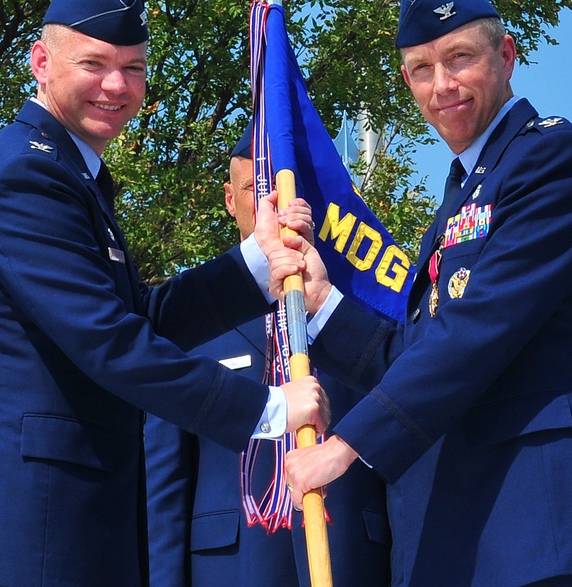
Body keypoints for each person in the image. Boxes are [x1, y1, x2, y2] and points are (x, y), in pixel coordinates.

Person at [0, 0, 329, 587]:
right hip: (30, 534)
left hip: (65, 526)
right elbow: (108, 341)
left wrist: (255, 262)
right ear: (41, 61)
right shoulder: (27, 179)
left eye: (134, 67)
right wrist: (267, 409)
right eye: (94, 64)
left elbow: (134, 318)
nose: (116, 85)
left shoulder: (68, 172)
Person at [276, 0, 572, 587]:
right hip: (464, 538)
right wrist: (320, 298)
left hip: (548, 532)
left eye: (460, 59)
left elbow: (480, 328)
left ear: (505, 56)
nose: (442, 85)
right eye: (422, 69)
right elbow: (422, 349)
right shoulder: (462, 194)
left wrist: (345, 446)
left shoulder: (556, 161)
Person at [144, 128, 392, 587]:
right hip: (231, 566)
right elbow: (165, 481)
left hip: (351, 560)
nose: (274, 210)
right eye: (256, 194)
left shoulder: (362, 310)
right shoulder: (190, 318)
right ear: (228, 199)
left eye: (288, 196)